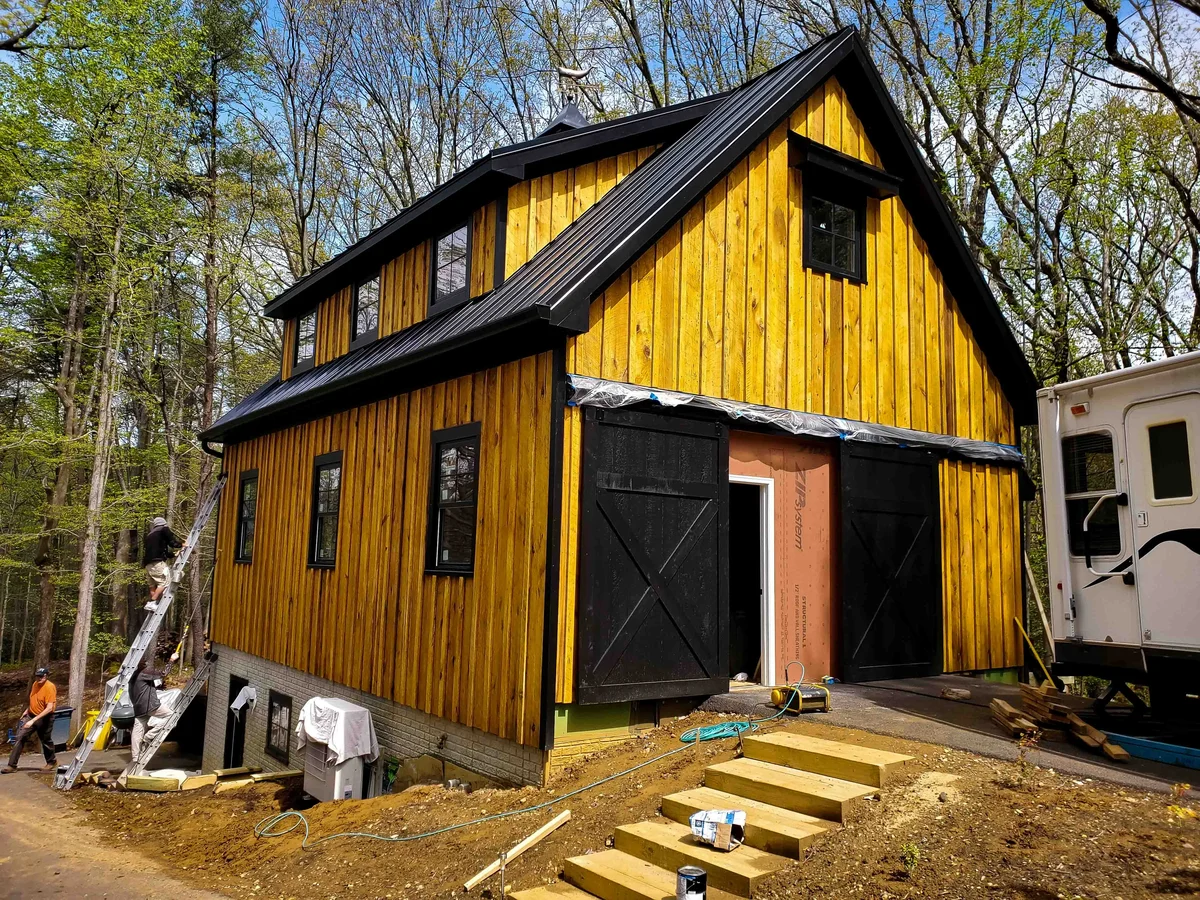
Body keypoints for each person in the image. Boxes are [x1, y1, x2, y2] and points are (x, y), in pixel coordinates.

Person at [3, 667, 58, 773]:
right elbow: (34, 700)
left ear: (46, 676)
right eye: (37, 676)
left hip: (45, 718)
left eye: (41, 676)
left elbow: (49, 708)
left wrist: (33, 721)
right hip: (31, 715)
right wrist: (27, 710)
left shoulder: (50, 687)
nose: (39, 678)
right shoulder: (35, 684)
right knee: (20, 737)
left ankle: (51, 762)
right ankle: (12, 765)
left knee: (45, 740)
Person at [129, 659, 172, 765]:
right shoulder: (145, 672)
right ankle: (149, 736)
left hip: (138, 707)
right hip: (150, 705)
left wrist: (159, 687)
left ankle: (135, 757)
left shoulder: (133, 676)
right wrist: (171, 660)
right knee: (171, 716)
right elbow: (164, 673)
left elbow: (144, 687)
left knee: (137, 730)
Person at [143, 516, 184, 612]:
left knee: (152, 585)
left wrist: (173, 554)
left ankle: (153, 606)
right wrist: (182, 545)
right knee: (165, 582)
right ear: (164, 523)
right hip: (157, 563)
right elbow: (172, 542)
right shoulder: (164, 529)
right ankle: (152, 602)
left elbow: (158, 550)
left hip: (148, 564)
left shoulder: (150, 535)